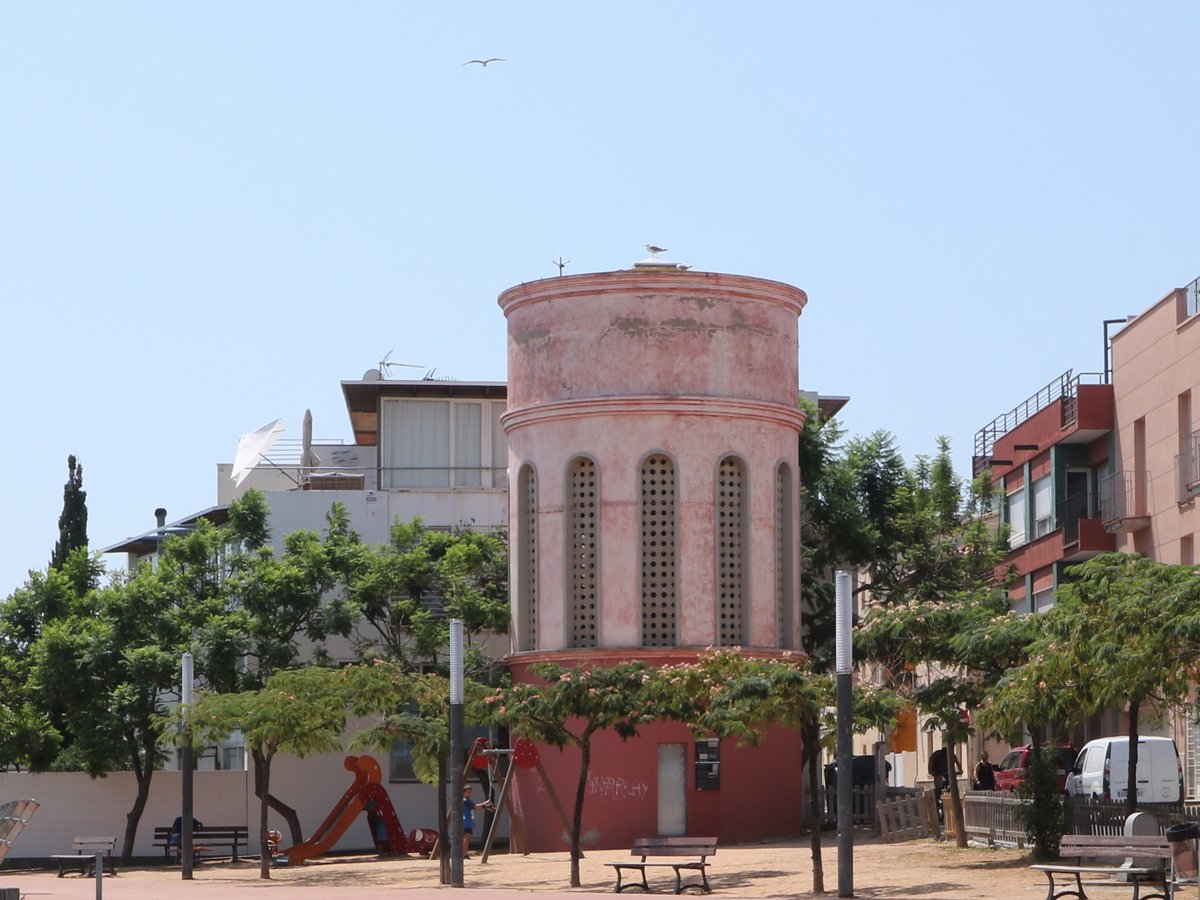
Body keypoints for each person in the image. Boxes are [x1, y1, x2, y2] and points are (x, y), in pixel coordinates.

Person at [462, 785, 492, 859]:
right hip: (466, 822)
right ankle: (463, 854)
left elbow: (477, 808)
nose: (470, 793)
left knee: (467, 838)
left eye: (470, 792)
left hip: (468, 822)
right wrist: (485, 802)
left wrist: (486, 806)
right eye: (468, 792)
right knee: (466, 838)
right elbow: (476, 806)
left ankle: (464, 853)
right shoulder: (465, 801)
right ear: (464, 793)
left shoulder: (469, 801)